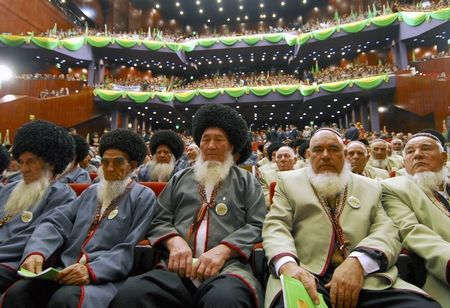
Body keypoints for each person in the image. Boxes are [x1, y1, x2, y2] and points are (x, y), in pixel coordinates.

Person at [110, 104, 266, 308]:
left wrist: (223, 251)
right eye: (205, 139)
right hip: (176, 268)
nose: (210, 146)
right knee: (132, 294)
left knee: (225, 300)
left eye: (218, 140)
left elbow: (258, 223)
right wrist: (174, 242)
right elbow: (159, 218)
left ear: (231, 146)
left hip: (228, 269)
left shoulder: (246, 181)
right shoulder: (180, 179)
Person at [263, 128, 439, 308]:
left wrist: (359, 262)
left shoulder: (371, 187)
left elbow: (387, 230)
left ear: (345, 154)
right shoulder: (288, 182)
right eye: (317, 150)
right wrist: (288, 266)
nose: (325, 155)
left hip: (366, 278)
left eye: (333, 149)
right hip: (304, 274)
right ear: (308, 155)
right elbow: (276, 226)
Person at [1, 129, 156, 307]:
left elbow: (129, 247)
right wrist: (37, 252)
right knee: (19, 293)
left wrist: (91, 270)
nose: (110, 169)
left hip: (105, 276)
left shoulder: (143, 197)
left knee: (66, 300)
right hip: (65, 269)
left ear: (133, 165)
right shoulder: (90, 192)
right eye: (105, 162)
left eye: (118, 163)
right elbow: (55, 222)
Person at [0, 120, 76, 293]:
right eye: (21, 162)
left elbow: (39, 235)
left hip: (12, 262)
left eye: (31, 162)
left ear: (51, 163)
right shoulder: (9, 188)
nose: (23, 169)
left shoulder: (62, 195)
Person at [382, 132, 450, 306]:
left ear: (444, 157)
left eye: (426, 148)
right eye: (410, 151)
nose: (417, 154)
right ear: (405, 162)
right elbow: (412, 232)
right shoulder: (394, 188)